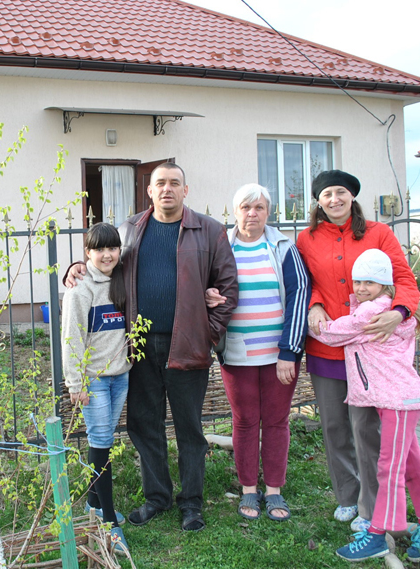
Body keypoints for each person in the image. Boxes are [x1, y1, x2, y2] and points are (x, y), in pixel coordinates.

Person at [65, 163, 238, 531]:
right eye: (160, 183)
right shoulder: (130, 229)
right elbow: (105, 262)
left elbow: (228, 289)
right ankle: (157, 497)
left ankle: (191, 502)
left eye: (175, 183)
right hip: (137, 348)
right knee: (145, 425)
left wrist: (208, 333)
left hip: (188, 346)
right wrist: (77, 266)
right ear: (150, 190)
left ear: (185, 190)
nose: (167, 189)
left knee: (190, 428)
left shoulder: (209, 230)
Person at [296, 170, 420, 533]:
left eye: (341, 193)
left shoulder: (379, 234)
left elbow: (404, 281)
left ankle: (372, 505)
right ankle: (347, 497)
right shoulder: (307, 238)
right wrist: (315, 305)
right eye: (326, 194)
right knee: (334, 427)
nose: (334, 200)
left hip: (370, 353)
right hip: (327, 347)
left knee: (365, 429)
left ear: (352, 196)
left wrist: (398, 313)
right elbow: (307, 283)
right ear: (317, 201)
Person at [310, 249, 420, 562]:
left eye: (370, 282)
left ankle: (378, 534)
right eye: (358, 281)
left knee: (389, 468)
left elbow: (333, 334)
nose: (360, 288)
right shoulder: (380, 308)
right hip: (395, 399)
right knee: (409, 465)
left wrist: (311, 322)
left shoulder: (374, 311)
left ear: (385, 286)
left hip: (397, 400)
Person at [220, 183, 311, 521]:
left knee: (275, 420)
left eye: (259, 208)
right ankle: (248, 489)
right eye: (246, 208)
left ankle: (273, 490)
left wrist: (290, 350)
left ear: (268, 212)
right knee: (244, 421)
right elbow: (207, 286)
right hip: (236, 353)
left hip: (279, 355)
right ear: (235, 212)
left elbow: (300, 294)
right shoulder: (222, 247)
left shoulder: (283, 247)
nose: (252, 214)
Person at [61, 222, 132, 555]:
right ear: (87, 253)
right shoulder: (80, 290)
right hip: (94, 379)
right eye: (99, 249)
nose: (107, 255)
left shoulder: (122, 278)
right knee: (101, 443)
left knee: (103, 439)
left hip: (121, 375)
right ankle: (109, 522)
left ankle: (92, 504)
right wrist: (76, 383)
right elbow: (72, 338)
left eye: (112, 248)